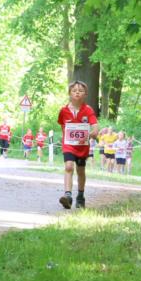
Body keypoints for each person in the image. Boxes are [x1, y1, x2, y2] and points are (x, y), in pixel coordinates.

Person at [57, 81, 98, 209]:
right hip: (69, 145)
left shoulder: (88, 110)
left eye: (80, 90)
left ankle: (80, 196)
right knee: (69, 167)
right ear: (69, 93)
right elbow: (63, 126)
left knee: (80, 170)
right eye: (74, 90)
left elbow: (95, 128)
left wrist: (92, 134)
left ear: (85, 94)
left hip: (82, 146)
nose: (77, 92)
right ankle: (68, 196)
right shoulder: (63, 111)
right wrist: (66, 137)